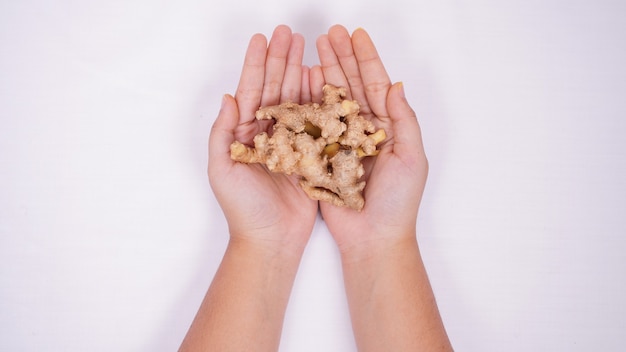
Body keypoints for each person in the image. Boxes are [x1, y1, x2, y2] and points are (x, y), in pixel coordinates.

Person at [179, 24, 453, 351]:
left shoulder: (338, 143)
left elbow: (336, 152)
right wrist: (260, 239)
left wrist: (383, 240)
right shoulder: (306, 140)